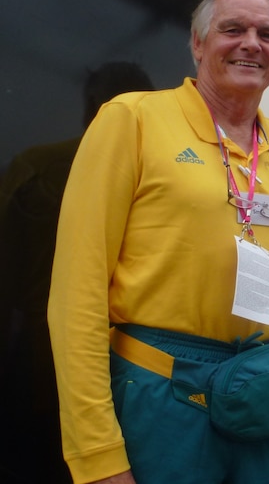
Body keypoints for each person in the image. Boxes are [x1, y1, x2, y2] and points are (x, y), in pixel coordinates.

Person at [47, 0, 269, 484]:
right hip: (162, 396)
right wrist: (96, 450)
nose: (251, 45)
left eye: (267, 35)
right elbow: (76, 294)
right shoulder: (133, 120)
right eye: (234, 30)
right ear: (197, 41)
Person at [0, 62, 154, 484]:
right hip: (128, 364)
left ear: (89, 105)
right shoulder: (168, 179)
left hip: (40, 355)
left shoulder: (35, 165)